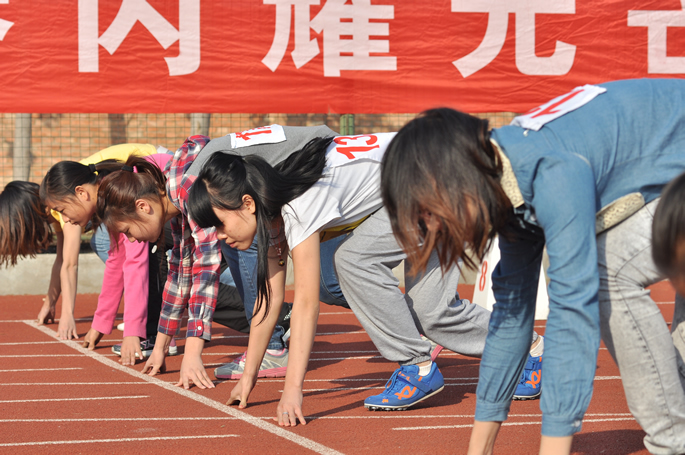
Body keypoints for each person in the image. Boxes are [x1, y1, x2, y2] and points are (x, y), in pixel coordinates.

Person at [380, 78, 685, 455]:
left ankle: (673, 445)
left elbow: (574, 314)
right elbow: (511, 319)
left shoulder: (552, 172)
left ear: (452, 178)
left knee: (609, 273)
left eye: (428, 211)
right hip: (673, 183)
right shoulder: (510, 185)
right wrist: (480, 449)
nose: (433, 227)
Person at [186, 132, 543, 426]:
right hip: (426, 181)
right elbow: (268, 302)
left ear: (247, 203)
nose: (218, 235)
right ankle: (530, 347)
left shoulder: (298, 204)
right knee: (433, 312)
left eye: (218, 223)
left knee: (353, 261)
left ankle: (417, 369)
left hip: (442, 178)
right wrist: (248, 379)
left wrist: (293, 389)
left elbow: (307, 304)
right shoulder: (269, 212)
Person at [94, 125, 346, 389]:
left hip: (328, 164)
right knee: (331, 285)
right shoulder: (177, 190)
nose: (132, 240)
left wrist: (192, 353)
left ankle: (271, 349)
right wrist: (160, 346)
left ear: (143, 207)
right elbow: (180, 273)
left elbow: (205, 270)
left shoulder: (189, 189)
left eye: (127, 232)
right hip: (307, 176)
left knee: (319, 279)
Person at [39, 146, 177, 363]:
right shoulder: (105, 198)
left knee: (148, 252)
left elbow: (135, 262)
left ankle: (152, 332)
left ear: (81, 193)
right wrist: (100, 322)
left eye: (63, 210)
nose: (64, 220)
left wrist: (132, 332)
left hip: (186, 205)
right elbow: (117, 260)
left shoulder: (115, 196)